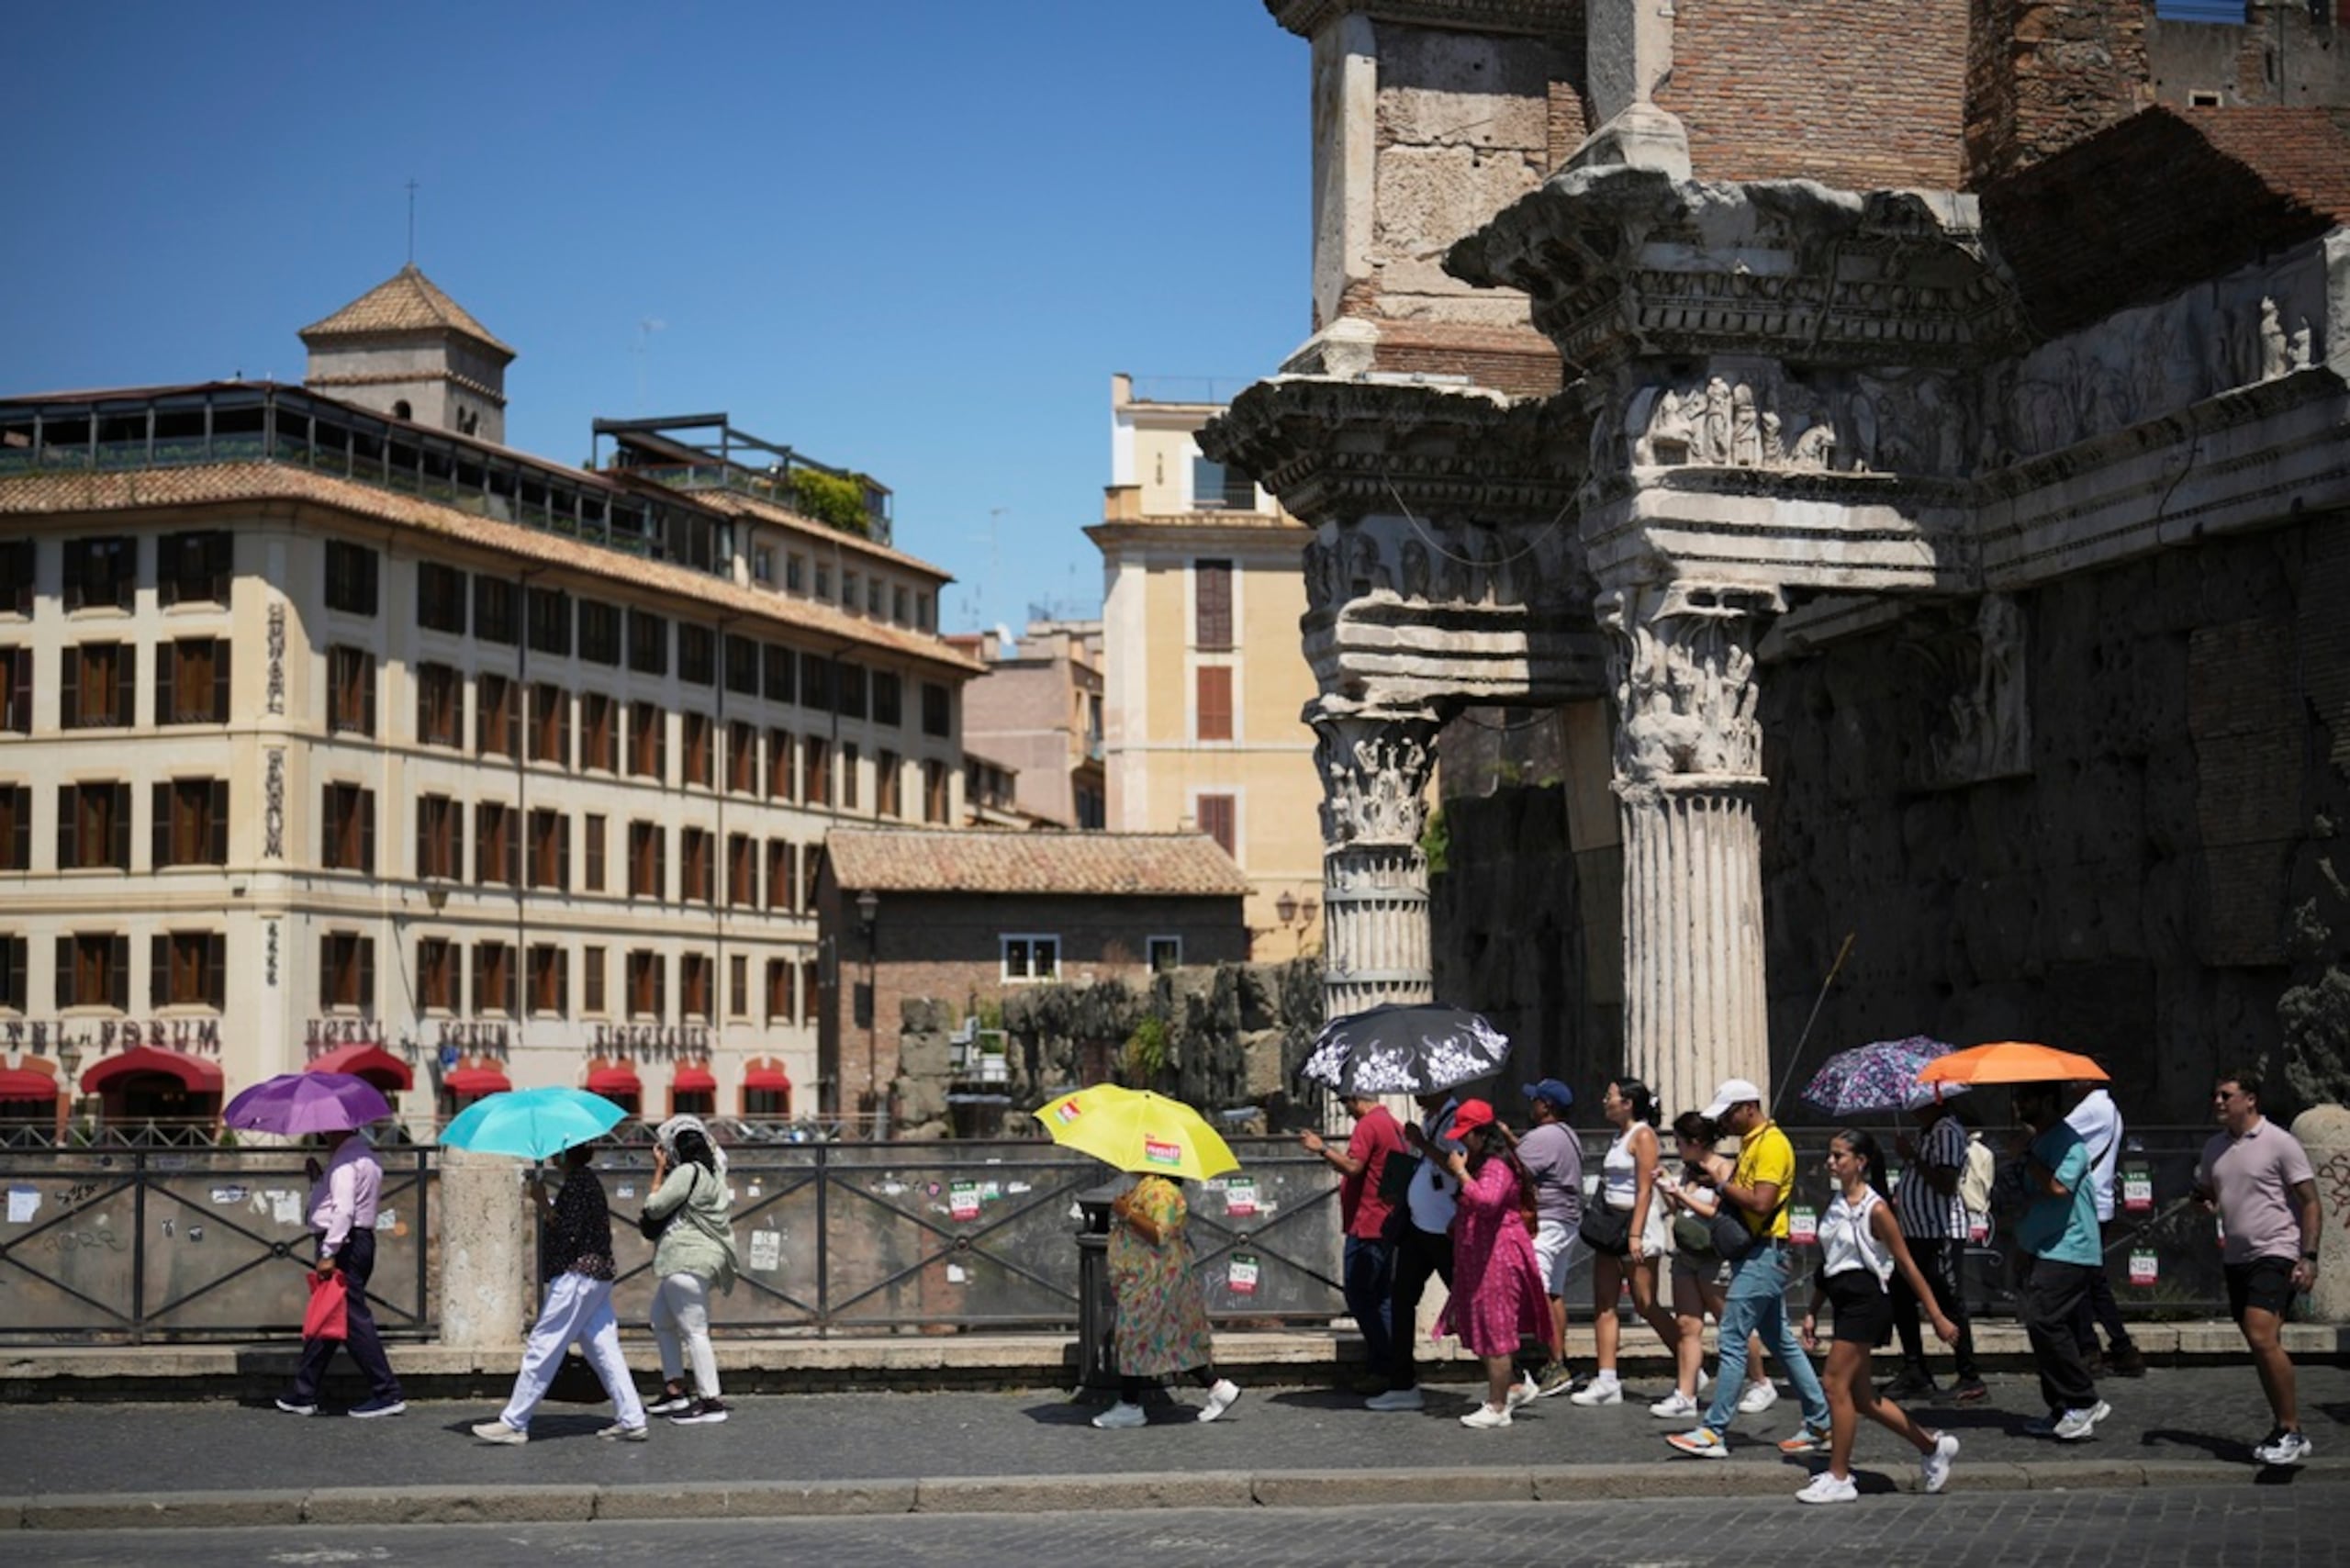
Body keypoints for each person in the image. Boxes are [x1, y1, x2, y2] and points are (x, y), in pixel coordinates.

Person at [1665, 1078, 1831, 1459]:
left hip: (1764, 1254)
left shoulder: (1771, 1144)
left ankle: (1713, 1431)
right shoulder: (1753, 1142)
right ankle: (1820, 1422)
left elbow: (1761, 1202)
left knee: (1732, 1338)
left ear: (1748, 1108)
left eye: (1728, 1114)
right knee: (1781, 1341)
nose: (1723, 1123)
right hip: (1760, 1254)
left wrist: (1721, 1185)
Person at [1794, 1130, 1962, 1505]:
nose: (1830, 1162)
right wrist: (1812, 1311)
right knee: (1863, 1397)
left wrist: (1936, 1315)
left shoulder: (1877, 1209)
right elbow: (1829, 1263)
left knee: (1833, 1385)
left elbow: (1906, 1264)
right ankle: (1933, 1446)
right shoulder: (1836, 1202)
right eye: (1830, 1155)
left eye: (1839, 1156)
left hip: (1866, 1301)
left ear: (1861, 1162)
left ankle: (1840, 1477)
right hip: (1842, 1300)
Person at [473, 1143, 648, 1444]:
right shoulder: (586, 1180)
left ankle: (515, 1422)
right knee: (604, 1348)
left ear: (566, 1155)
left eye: (557, 1151)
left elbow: (568, 1231)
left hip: (577, 1276)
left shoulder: (578, 1183)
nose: (553, 1155)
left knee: (543, 1344)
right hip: (597, 1275)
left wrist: (542, 1203)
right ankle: (632, 1419)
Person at [2195, 1069, 2322, 1465]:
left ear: (2250, 1099)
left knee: (2260, 1333)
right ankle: (2283, 1426)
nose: (2218, 1101)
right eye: (2216, 1095)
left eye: (2226, 1095)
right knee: (2262, 1343)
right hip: (2237, 1256)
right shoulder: (2214, 1147)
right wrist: (2204, 1202)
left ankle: (2291, 1430)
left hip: (2277, 1250)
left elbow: (2311, 1201)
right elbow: (2210, 1192)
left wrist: (2309, 1256)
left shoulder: (2279, 1142)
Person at [1432, 1100, 1550, 1428]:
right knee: (1481, 1324)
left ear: (1481, 1134)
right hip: (1481, 1256)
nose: (1461, 1141)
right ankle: (1513, 1387)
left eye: (1465, 1134)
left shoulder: (1497, 1165)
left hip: (1499, 1256)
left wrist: (1460, 1173)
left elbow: (1487, 1202)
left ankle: (1498, 1407)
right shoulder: (1483, 1162)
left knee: (1496, 1328)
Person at [1091, 1172, 1241, 1428]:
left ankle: (1129, 1405)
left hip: (1153, 1278)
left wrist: (1126, 1212)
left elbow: (1160, 1233)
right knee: (1173, 1336)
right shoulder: (1150, 1188)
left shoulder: (1162, 1192)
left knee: (1134, 1336)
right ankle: (1217, 1387)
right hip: (1151, 1276)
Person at [277, 1125, 406, 1418]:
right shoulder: (366, 1157)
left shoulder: (344, 1162)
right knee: (330, 1314)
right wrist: (318, 1179)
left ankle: (387, 1392)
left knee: (352, 1318)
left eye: (326, 1131)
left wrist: (328, 1251)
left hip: (343, 1244)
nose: (323, 1136)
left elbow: (344, 1210)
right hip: (358, 1241)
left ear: (336, 1131)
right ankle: (304, 1391)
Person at [2008, 1081, 2108, 1441]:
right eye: (2017, 1098)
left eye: (2025, 1097)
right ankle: (2061, 1406)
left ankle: (2083, 1399)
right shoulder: (2039, 1140)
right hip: (2041, 1245)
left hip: (2070, 1247)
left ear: (2048, 1101)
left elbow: (2058, 1188)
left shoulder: (2069, 1142)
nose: (2018, 1105)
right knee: (2040, 1326)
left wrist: (2026, 1156)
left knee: (2044, 1319)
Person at [1654, 1112, 1770, 1420]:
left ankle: (1760, 1381)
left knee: (1730, 1323)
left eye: (1679, 1142)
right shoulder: (1688, 1171)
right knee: (1687, 1325)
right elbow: (1680, 1210)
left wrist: (1680, 1194)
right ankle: (1686, 1394)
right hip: (1687, 1253)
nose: (1677, 1147)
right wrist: (1667, 1189)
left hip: (1715, 1255)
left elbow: (1716, 1214)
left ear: (1695, 1142)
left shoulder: (1723, 1168)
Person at [1572, 1078, 1680, 1406]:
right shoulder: (1618, 1136)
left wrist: (1635, 1234)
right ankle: (1607, 1379)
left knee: (1645, 1302)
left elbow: (1644, 1189)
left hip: (1636, 1225)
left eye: (1611, 1096)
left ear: (1628, 1103)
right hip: (1610, 1225)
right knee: (1604, 1302)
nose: (1605, 1101)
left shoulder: (1643, 1136)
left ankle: (1689, 1360)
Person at [1300, 1092, 1407, 1394]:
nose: (1346, 1110)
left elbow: (1353, 1166)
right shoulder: (1393, 1124)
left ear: (1356, 1099)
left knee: (1359, 1296)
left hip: (1368, 1224)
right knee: (1381, 1297)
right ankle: (1391, 1367)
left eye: (1345, 1103)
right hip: (1386, 1222)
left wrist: (1322, 1148)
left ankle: (1385, 1365)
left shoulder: (1368, 1125)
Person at [1885, 1088, 1986, 1403]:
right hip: (1916, 1231)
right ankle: (1915, 1368)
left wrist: (1911, 1157)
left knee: (1949, 1300)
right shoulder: (1926, 1132)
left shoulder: (1947, 1132)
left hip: (1938, 1231)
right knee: (1900, 1292)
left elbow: (1946, 1182)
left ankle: (1969, 1375)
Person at [1367, 1090, 1465, 1411]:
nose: (1417, 1093)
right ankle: (1403, 1383)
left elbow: (1457, 1168)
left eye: (1424, 1088)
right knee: (1402, 1299)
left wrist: (1422, 1144)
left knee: (1469, 1303)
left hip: (1444, 1230)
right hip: (1418, 1227)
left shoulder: (1456, 1121)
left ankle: (1513, 1377)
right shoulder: (1429, 1119)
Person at [642, 1115, 738, 1427]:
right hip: (702, 1260)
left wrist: (659, 1169)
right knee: (661, 1320)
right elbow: (719, 1153)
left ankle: (711, 1401)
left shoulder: (687, 1172)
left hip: (685, 1258)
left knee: (695, 1332)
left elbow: (655, 1207)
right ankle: (675, 1389)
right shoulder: (716, 1172)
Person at [2063, 1081, 2146, 1378]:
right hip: (2100, 1203)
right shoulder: (2108, 1108)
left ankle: (2091, 1350)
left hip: (2088, 1206)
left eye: (2077, 1078)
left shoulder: (2092, 1109)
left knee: (2081, 1280)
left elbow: (2055, 1133)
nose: (2070, 1083)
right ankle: (2120, 1349)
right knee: (2092, 1280)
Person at [1516, 1079, 1583, 1397]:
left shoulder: (1541, 1137)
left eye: (1535, 1101)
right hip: (1566, 1221)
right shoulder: (1567, 1134)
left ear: (1546, 1106)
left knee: (1539, 1289)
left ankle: (1556, 1364)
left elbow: (1514, 1169)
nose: (1531, 1105)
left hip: (1547, 1220)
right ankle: (1558, 1360)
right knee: (1554, 1292)